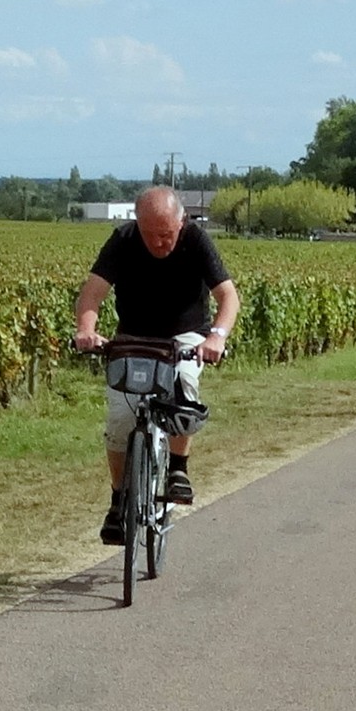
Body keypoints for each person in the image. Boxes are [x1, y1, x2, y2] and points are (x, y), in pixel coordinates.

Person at [72, 185, 240, 544]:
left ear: (181, 223)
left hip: (186, 336)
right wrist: (86, 329)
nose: (159, 243)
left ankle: (178, 468)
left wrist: (217, 336)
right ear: (138, 224)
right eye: (150, 234)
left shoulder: (196, 241)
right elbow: (93, 292)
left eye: (166, 234)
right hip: (133, 336)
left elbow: (228, 295)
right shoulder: (122, 239)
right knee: (119, 418)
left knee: (184, 387)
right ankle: (119, 499)